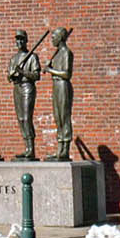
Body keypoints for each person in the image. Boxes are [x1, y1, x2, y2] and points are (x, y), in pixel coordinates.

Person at [6, 31, 40, 161]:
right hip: (17, 87)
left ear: (26, 41)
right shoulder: (13, 59)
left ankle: (31, 149)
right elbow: (9, 77)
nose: (19, 42)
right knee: (20, 119)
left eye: (22, 39)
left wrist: (23, 72)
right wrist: (12, 75)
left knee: (26, 118)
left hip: (27, 87)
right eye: (17, 40)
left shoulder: (32, 57)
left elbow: (36, 76)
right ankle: (26, 147)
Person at [47, 27, 75, 161]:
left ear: (60, 38)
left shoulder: (66, 53)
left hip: (63, 85)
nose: (52, 39)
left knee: (64, 116)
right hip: (56, 85)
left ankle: (66, 148)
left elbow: (66, 74)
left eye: (54, 37)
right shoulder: (57, 54)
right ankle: (59, 148)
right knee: (57, 117)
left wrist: (50, 70)